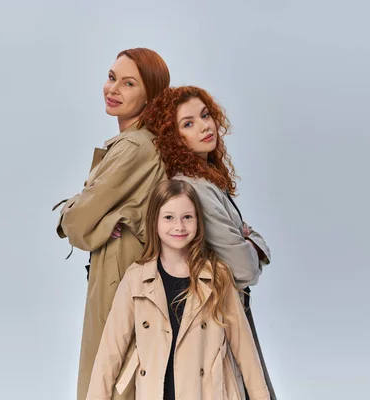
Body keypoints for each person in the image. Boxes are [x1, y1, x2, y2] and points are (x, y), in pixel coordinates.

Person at [138, 86, 276, 398]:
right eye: (187, 123)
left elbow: (244, 241)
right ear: (175, 138)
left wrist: (247, 239)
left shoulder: (207, 179)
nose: (204, 126)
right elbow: (244, 269)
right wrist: (252, 244)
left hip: (225, 309)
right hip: (218, 313)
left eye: (205, 115)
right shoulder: (194, 188)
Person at [54, 48, 169, 400]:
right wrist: (104, 221)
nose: (113, 89)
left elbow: (75, 220)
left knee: (108, 381)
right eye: (111, 77)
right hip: (125, 275)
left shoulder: (133, 148)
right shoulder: (143, 144)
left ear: (150, 95)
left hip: (118, 278)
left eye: (128, 83)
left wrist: (79, 213)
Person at [86, 179, 270, 400]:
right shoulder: (136, 278)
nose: (179, 227)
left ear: (198, 222)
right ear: (154, 221)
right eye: (169, 217)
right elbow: (110, 353)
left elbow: (245, 350)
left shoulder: (218, 275)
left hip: (209, 393)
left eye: (187, 217)